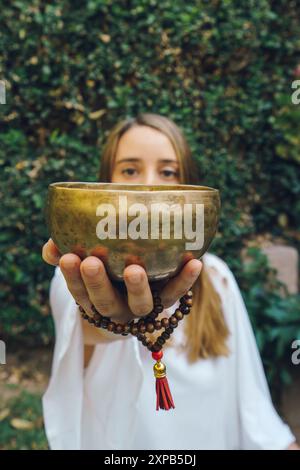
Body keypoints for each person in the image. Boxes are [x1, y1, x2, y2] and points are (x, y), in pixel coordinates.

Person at [42, 113, 299, 450]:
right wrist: (111, 321)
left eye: (168, 171)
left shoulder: (217, 276)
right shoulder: (73, 276)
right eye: (130, 170)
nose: (151, 185)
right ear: (105, 187)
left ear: (187, 187)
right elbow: (85, 334)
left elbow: (248, 395)